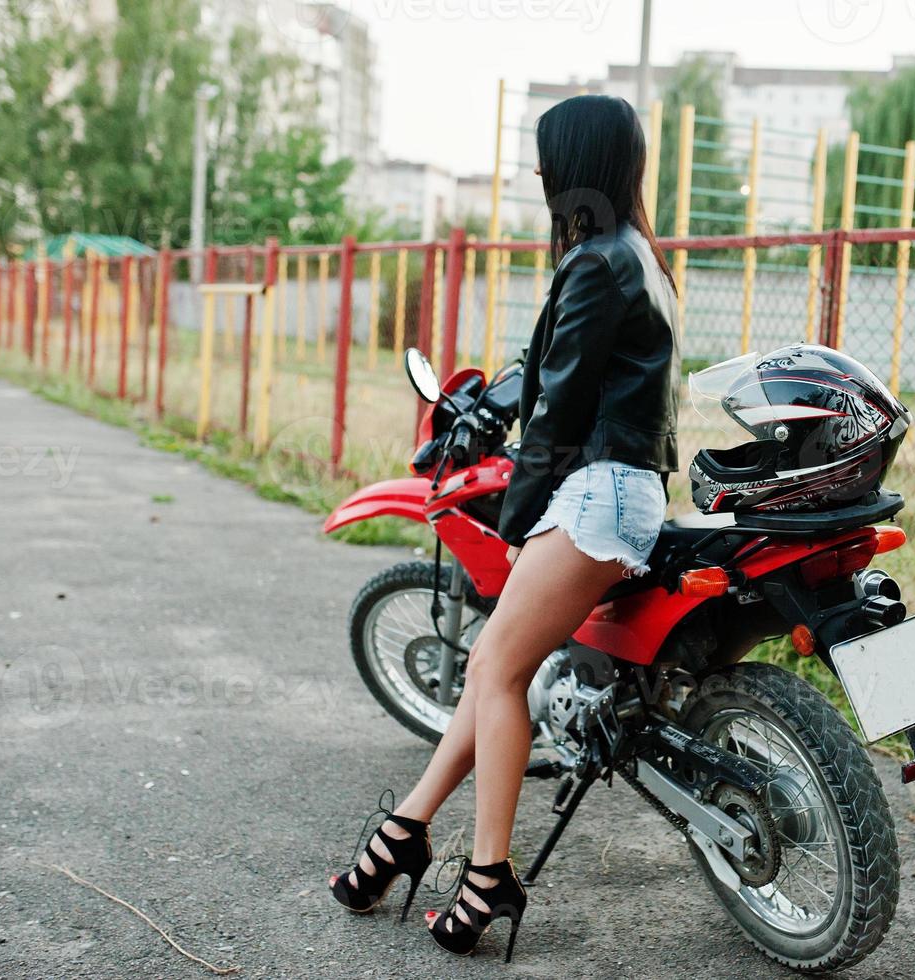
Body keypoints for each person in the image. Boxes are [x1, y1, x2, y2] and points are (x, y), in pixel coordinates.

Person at [328, 94, 680, 963]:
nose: (536, 173)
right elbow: (557, 370)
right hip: (619, 489)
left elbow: (558, 411)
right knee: (494, 669)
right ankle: (407, 831)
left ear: (575, 167)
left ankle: (488, 872)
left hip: (592, 493)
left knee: (495, 671)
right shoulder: (636, 255)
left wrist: (519, 520)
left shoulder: (596, 261)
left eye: (546, 158)